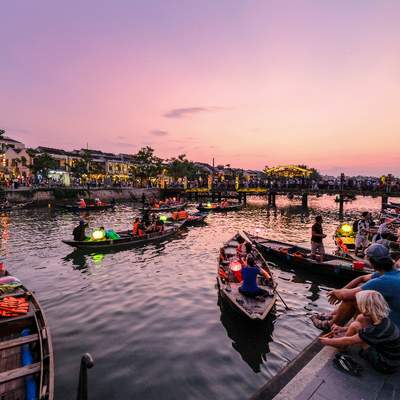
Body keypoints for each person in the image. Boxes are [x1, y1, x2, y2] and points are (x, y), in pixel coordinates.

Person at [311, 244, 400, 330]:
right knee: (359, 288)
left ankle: (330, 325)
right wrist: (341, 290)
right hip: (390, 314)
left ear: (372, 262)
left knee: (353, 298)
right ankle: (334, 315)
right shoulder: (393, 272)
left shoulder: (382, 281)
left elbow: (346, 295)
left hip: (393, 327)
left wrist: (335, 292)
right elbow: (362, 278)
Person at [320, 290, 400, 374]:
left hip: (385, 365)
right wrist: (343, 329)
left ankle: (342, 346)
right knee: (359, 321)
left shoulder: (376, 329)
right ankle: (342, 345)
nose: (358, 307)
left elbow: (350, 340)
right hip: (392, 358)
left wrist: (327, 341)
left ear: (366, 308)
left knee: (355, 326)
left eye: (359, 305)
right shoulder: (384, 320)